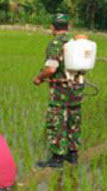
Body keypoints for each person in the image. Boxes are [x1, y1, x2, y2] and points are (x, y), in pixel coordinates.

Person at [33, 13, 83, 168]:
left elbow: (50, 69)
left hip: (61, 88)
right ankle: (72, 154)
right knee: (73, 118)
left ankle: (57, 157)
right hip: (77, 87)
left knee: (56, 120)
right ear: (68, 27)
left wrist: (39, 78)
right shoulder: (75, 42)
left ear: (52, 27)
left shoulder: (55, 44)